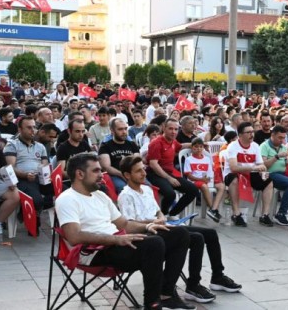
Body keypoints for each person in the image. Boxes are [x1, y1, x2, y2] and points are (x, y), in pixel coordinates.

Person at [56, 153, 193, 310]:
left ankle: (166, 294)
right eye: (96, 171)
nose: (102, 175)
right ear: (80, 174)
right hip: (94, 252)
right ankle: (152, 304)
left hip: (118, 243)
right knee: (154, 244)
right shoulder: (67, 199)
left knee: (179, 233)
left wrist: (148, 226)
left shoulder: (100, 195)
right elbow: (74, 237)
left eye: (101, 170)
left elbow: (124, 224)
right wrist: (116, 240)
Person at [117, 156, 241, 305]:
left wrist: (161, 217)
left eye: (143, 169)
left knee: (210, 233)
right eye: (138, 171)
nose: (143, 173)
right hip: (147, 233)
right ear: (127, 175)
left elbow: (158, 211)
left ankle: (217, 277)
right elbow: (129, 224)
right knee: (196, 238)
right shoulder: (126, 195)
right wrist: (154, 222)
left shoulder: (147, 189)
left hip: (161, 226)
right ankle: (191, 285)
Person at [225, 122, 275, 227]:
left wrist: (262, 169)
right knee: (234, 180)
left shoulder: (255, 146)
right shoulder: (232, 146)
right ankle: (236, 214)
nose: (252, 134)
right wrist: (253, 167)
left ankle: (264, 215)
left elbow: (260, 164)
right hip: (234, 174)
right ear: (240, 135)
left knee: (268, 181)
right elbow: (233, 167)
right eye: (248, 132)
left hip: (251, 174)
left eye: (253, 132)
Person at [147, 119, 199, 218]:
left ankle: (172, 214)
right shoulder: (157, 143)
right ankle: (163, 214)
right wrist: (169, 178)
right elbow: (153, 164)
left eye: (176, 129)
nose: (173, 132)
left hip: (168, 173)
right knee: (170, 194)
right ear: (164, 128)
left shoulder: (173, 141)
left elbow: (180, 146)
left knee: (193, 190)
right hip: (154, 174)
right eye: (170, 129)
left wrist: (197, 145)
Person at [5, 116, 51, 217]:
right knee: (37, 200)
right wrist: (25, 175)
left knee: (63, 191)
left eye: (34, 127)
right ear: (20, 129)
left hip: (40, 178)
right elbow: (10, 167)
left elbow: (45, 163)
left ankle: (27, 212)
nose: (33, 130)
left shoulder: (40, 146)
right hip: (22, 179)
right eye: (29, 127)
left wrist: (42, 171)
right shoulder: (12, 145)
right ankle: (33, 214)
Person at [98, 118, 140, 195]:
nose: (124, 132)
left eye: (125, 129)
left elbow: (137, 161)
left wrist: (132, 175)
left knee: (148, 187)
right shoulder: (105, 146)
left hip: (133, 173)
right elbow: (106, 167)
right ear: (112, 130)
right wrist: (121, 174)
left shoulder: (132, 144)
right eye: (120, 129)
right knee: (124, 190)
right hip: (116, 175)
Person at [181, 138, 222, 218]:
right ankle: (212, 209)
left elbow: (210, 173)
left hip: (205, 181)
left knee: (221, 186)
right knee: (203, 186)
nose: (198, 149)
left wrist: (208, 180)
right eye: (196, 147)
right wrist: (201, 180)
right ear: (192, 148)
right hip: (193, 182)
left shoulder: (206, 159)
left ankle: (213, 209)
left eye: (200, 147)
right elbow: (189, 176)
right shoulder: (189, 159)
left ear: (203, 148)